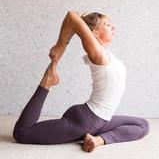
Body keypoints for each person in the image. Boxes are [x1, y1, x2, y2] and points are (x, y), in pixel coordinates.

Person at [12, 11, 150, 152]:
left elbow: (73, 21)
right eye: (107, 25)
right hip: (85, 121)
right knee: (22, 133)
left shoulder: (108, 55)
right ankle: (46, 82)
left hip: (100, 120)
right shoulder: (98, 53)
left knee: (143, 125)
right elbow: (72, 15)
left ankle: (96, 139)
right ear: (95, 33)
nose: (113, 27)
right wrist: (61, 46)